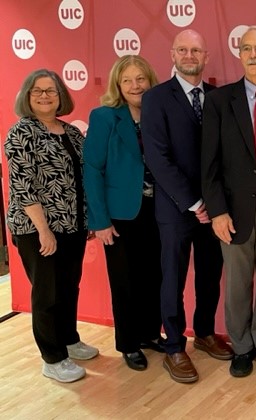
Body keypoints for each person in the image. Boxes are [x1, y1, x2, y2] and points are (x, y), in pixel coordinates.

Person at [141, 29, 233, 384]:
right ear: (172, 54)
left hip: (215, 210)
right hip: (176, 209)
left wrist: (214, 203)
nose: (190, 55)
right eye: (183, 49)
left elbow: (224, 156)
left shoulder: (217, 97)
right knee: (173, 279)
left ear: (206, 56)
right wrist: (195, 202)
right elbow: (158, 158)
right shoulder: (156, 98)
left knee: (210, 274)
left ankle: (205, 333)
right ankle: (175, 346)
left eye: (196, 49)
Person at [201, 26, 256, 379]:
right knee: (237, 282)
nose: (254, 55)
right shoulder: (220, 101)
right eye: (246, 48)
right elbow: (208, 163)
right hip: (232, 209)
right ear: (239, 55)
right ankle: (241, 346)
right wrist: (217, 212)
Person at [5, 69, 99, 383]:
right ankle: (52, 357)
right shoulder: (21, 133)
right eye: (37, 91)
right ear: (26, 96)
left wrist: (89, 219)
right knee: (46, 292)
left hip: (73, 225)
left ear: (61, 96)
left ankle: (69, 340)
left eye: (51, 91)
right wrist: (43, 230)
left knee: (68, 287)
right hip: (37, 229)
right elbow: (23, 186)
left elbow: (83, 180)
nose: (45, 96)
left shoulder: (71, 132)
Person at [84, 55, 164, 371]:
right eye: (128, 79)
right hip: (120, 215)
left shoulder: (158, 114)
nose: (135, 85)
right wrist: (100, 221)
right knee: (125, 281)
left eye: (140, 79)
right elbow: (92, 169)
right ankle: (129, 343)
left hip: (157, 211)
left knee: (153, 276)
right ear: (118, 83)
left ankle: (149, 332)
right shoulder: (104, 117)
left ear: (150, 81)